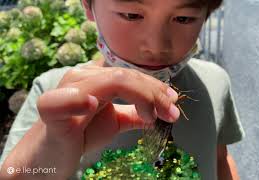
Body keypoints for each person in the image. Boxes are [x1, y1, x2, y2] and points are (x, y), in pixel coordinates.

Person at [0, 0, 245, 179]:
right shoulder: (54, 91)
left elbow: (220, 159)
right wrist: (51, 141)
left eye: (184, 18)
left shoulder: (216, 82)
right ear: (88, 6)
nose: (156, 46)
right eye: (131, 15)